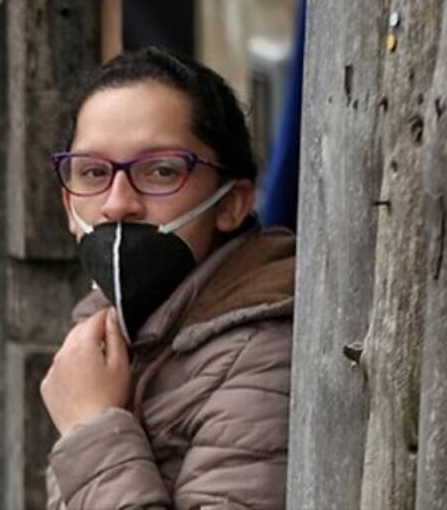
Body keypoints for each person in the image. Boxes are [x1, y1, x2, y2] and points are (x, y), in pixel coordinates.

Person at [42, 47, 295, 510]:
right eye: (94, 172)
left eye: (161, 171)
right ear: (68, 206)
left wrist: (93, 427)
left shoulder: (265, 355)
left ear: (231, 203)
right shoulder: (111, 332)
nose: (118, 203)